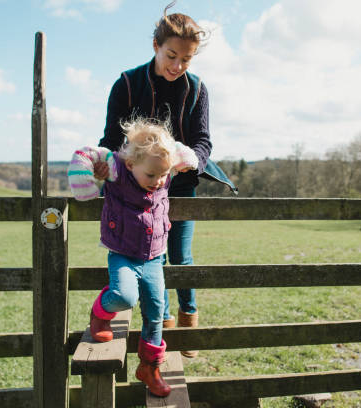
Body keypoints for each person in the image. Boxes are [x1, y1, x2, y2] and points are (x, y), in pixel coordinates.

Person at [97, 1, 236, 359]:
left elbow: (204, 141)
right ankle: (163, 324)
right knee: (151, 257)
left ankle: (189, 320)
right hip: (134, 191)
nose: (177, 66)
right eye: (171, 55)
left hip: (181, 186)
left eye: (186, 60)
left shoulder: (198, 89)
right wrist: (99, 165)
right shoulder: (127, 84)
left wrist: (192, 158)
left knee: (180, 256)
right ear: (156, 46)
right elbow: (111, 141)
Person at [68, 117, 199, 397]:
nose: (158, 181)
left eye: (163, 175)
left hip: (154, 258)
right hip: (123, 254)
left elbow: (185, 154)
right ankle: (100, 312)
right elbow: (84, 155)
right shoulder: (117, 172)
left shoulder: (162, 169)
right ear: (130, 164)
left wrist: (188, 160)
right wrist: (89, 179)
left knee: (155, 312)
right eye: (151, 176)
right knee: (124, 296)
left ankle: (150, 367)